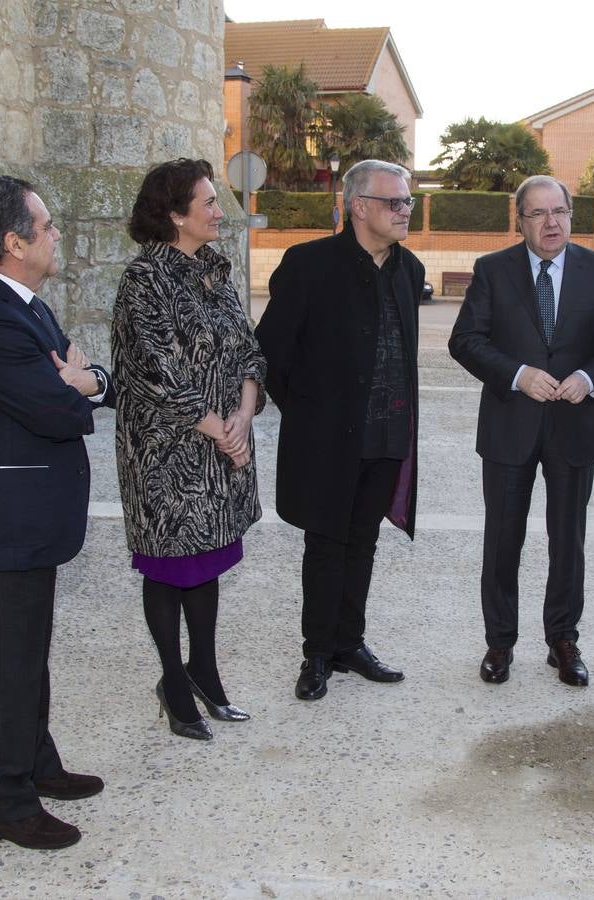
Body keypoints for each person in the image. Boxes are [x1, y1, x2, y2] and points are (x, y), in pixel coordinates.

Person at [0, 174, 114, 850]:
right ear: (15, 242)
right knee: (9, 667)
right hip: (1, 530)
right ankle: (7, 804)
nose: (57, 234)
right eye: (47, 226)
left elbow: (80, 380)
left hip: (26, 525)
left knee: (27, 658)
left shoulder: (23, 303)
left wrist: (86, 380)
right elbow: (56, 406)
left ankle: (36, 765)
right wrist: (79, 384)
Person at [448, 175, 594, 687]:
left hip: (574, 427)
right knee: (502, 540)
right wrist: (517, 374)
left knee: (567, 541)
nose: (551, 222)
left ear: (570, 215)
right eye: (538, 213)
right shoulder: (492, 270)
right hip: (510, 427)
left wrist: (588, 378)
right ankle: (499, 644)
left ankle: (563, 640)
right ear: (521, 221)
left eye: (559, 212)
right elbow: (464, 341)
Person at [255, 159, 425, 702]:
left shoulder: (410, 269)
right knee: (325, 545)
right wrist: (309, 415)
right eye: (394, 202)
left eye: (407, 202)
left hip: (387, 436)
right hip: (328, 440)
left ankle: (351, 643)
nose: (404, 211)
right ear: (358, 207)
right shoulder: (307, 265)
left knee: (364, 542)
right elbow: (272, 353)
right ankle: (318, 653)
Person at [112, 158, 265, 739]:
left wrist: (244, 418)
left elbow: (250, 352)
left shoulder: (214, 273)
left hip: (223, 445)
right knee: (170, 563)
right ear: (175, 214)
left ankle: (204, 667)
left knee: (207, 561)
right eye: (207, 203)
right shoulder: (145, 280)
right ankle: (174, 680)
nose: (218, 211)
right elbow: (153, 371)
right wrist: (221, 430)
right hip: (168, 453)